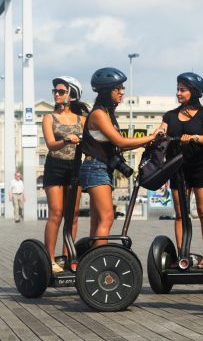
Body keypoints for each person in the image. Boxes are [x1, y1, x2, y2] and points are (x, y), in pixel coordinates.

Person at [80, 67, 157, 246]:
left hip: (100, 167)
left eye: (122, 88)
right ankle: (99, 260)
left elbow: (117, 146)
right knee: (107, 218)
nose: (122, 92)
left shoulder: (108, 113)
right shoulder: (99, 114)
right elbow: (121, 142)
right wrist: (152, 137)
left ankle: (91, 258)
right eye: (118, 88)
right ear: (107, 91)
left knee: (97, 220)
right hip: (95, 168)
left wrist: (147, 141)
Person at [156, 72, 203, 268]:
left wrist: (194, 137)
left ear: (194, 92)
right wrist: (158, 134)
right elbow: (161, 130)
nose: (178, 93)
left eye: (182, 90)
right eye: (178, 89)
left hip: (200, 167)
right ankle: (182, 255)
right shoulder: (170, 115)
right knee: (181, 214)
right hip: (177, 168)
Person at [42, 76, 89, 273]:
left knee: (73, 214)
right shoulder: (49, 118)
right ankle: (49, 259)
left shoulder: (83, 120)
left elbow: (89, 142)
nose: (56, 94)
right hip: (55, 166)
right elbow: (51, 145)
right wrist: (67, 141)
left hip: (75, 167)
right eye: (55, 91)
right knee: (56, 213)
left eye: (61, 91)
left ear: (72, 94)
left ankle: (67, 257)